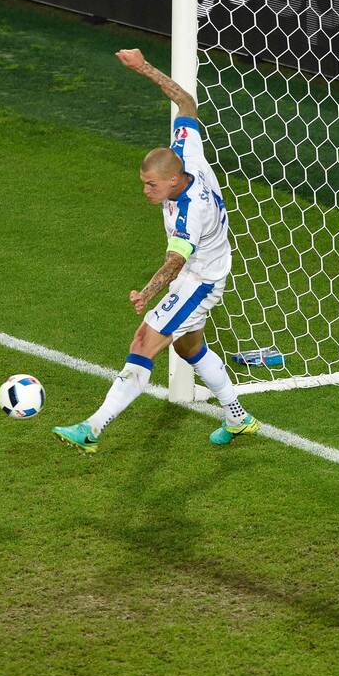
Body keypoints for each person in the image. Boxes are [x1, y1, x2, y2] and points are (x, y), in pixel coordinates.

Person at [52, 48, 259, 453]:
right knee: (189, 346)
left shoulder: (190, 213)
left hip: (198, 278)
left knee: (143, 342)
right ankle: (239, 418)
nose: (145, 191)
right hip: (204, 267)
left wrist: (147, 294)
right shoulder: (187, 154)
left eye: (151, 186)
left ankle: (92, 428)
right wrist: (142, 67)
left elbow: (176, 260)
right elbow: (186, 102)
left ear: (172, 182)